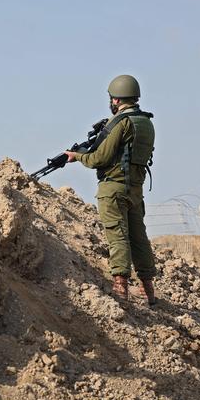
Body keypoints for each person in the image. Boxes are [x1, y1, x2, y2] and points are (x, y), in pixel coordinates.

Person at [66, 75, 157, 305]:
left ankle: (120, 288)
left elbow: (100, 157)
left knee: (117, 236)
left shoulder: (119, 122)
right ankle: (148, 290)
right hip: (135, 189)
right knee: (139, 239)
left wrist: (77, 156)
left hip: (113, 188)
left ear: (116, 99)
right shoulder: (146, 122)